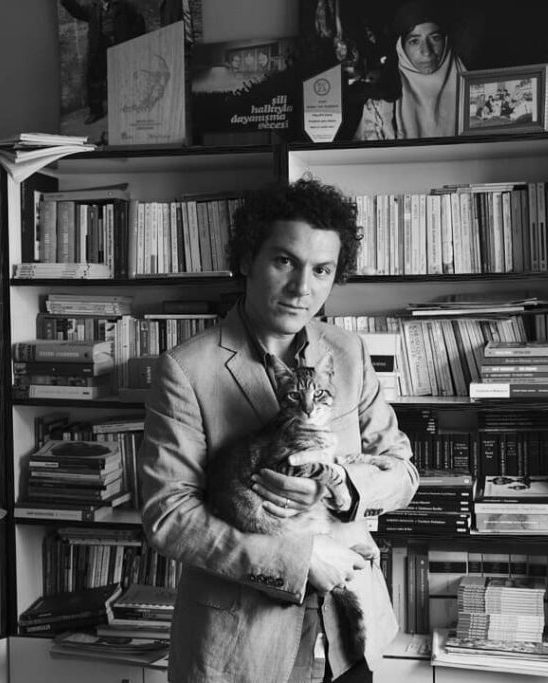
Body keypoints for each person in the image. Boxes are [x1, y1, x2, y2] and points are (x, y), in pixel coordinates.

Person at [139, 179, 419, 682]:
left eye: (322, 270)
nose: (302, 287)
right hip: (241, 651)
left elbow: (402, 472)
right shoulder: (185, 369)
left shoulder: (348, 352)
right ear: (248, 258)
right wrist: (296, 561)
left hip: (351, 636)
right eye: (285, 261)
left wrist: (342, 486)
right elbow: (169, 515)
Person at [354, 0, 464, 140]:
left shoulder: (475, 90)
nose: (426, 51)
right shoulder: (380, 107)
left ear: (446, 41)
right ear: (401, 48)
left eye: (435, 38)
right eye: (414, 41)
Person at [59, 0, 146, 125]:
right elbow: (76, 11)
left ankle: (126, 109)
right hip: (99, 48)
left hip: (120, 48)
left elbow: (138, 22)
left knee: (124, 79)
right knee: (95, 81)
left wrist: (131, 42)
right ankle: (96, 112)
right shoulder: (93, 8)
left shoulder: (124, 6)